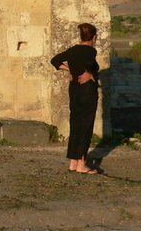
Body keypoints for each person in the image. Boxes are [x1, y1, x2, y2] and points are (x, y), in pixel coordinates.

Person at [50, 22, 100, 174]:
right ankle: (81, 164)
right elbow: (89, 70)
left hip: (75, 89)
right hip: (87, 91)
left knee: (76, 123)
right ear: (94, 37)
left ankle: (73, 161)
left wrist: (69, 69)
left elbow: (55, 60)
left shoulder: (72, 50)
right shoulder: (91, 51)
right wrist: (90, 75)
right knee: (86, 125)